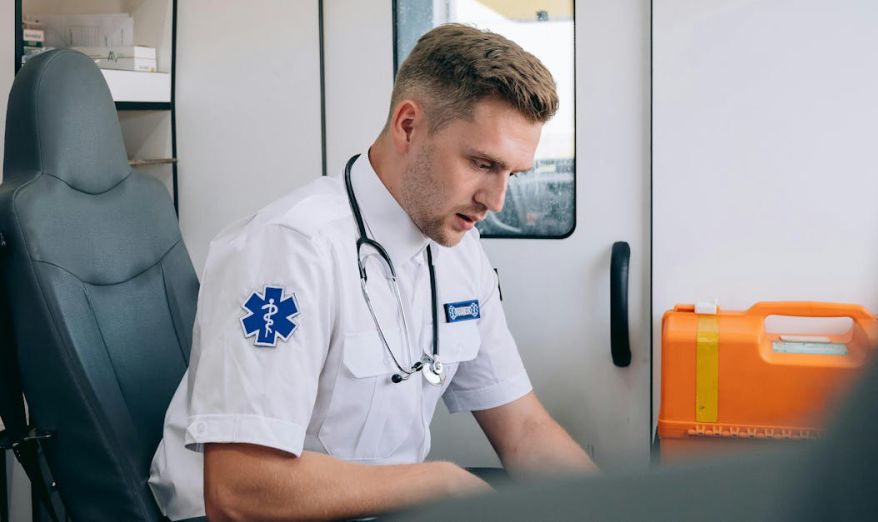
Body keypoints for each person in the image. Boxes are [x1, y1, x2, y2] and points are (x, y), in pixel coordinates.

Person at [148, 23, 596, 521]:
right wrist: (436, 483)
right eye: (481, 163)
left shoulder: (457, 250)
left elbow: (524, 430)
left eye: (512, 174)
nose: (495, 200)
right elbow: (239, 492)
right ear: (408, 125)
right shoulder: (289, 250)